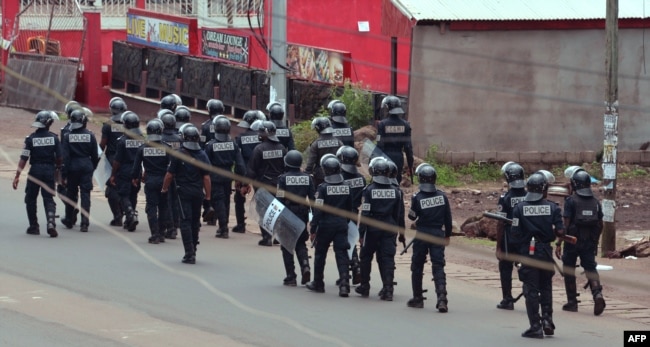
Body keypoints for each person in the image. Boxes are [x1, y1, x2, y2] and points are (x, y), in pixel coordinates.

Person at [511, 173, 565, 339]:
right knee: (546, 286)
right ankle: (547, 320)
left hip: (528, 253)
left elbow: (514, 234)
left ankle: (535, 326)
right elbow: (561, 231)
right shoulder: (554, 207)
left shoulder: (519, 208)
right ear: (544, 189)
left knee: (531, 289)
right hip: (546, 253)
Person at [556, 170, 606, 316]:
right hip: (589, 242)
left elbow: (565, 225)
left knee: (569, 268)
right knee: (591, 268)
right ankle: (597, 295)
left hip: (572, 241)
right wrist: (595, 241)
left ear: (574, 185)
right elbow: (600, 224)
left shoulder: (571, 201)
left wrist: (559, 243)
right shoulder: (595, 202)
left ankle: (572, 302)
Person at [405, 163, 452, 312]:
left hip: (422, 234)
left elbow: (412, 217)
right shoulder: (442, 196)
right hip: (438, 234)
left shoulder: (417, 197)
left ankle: (417, 298)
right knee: (438, 266)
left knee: (417, 265)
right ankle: (442, 299)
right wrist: (448, 235)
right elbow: (448, 219)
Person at [162, 125, 211, 264]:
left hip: (183, 193)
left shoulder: (178, 154)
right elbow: (206, 178)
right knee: (195, 222)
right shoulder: (203, 155)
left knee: (185, 221)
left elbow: (169, 175)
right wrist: (208, 197)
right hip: (197, 194)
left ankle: (189, 253)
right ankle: (194, 248)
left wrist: (164, 189)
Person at [356, 157, 403, 301]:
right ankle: (388, 289)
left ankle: (365, 286)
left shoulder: (369, 190)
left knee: (365, 257)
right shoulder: (396, 191)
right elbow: (399, 214)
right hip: (389, 227)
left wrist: (361, 233)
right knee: (387, 258)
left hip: (372, 228)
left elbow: (365, 213)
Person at [307, 156, 353, 297]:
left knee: (320, 254)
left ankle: (318, 283)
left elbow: (318, 210)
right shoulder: (347, 187)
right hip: (341, 224)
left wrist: (313, 228)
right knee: (342, 254)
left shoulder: (323, 188)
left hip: (326, 225)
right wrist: (345, 222)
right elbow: (350, 209)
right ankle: (344, 285)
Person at [13, 110, 62, 237]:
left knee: (30, 198)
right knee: (48, 198)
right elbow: (60, 158)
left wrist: (17, 176)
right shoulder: (54, 138)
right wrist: (57, 167)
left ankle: (34, 227)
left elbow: (23, 159)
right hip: (49, 170)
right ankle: (51, 223)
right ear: (49, 123)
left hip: (35, 171)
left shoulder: (30, 139)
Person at [276, 150, 315, 286]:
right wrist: (313, 219)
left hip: (288, 212)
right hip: (303, 213)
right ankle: (305, 266)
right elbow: (312, 199)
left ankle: (291, 276)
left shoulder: (283, 178)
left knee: (287, 245)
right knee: (300, 242)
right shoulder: (308, 178)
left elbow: (279, 198)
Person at [245, 121, 288, 246]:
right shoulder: (282, 148)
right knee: (277, 210)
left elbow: (252, 170)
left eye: (261, 132)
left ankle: (267, 237)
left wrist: (244, 184)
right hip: (279, 185)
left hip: (263, 185)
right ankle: (278, 236)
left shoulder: (259, 149)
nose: (259, 134)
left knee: (263, 210)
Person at [205, 116, 246, 239]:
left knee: (218, 202)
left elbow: (205, 163)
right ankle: (224, 225)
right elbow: (240, 164)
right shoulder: (233, 145)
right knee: (226, 201)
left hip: (215, 176)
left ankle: (223, 228)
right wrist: (241, 179)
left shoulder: (210, 145)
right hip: (228, 176)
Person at [131, 119, 170, 244]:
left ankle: (155, 234)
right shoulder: (167, 148)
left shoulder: (142, 148)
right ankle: (162, 233)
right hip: (164, 181)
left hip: (151, 181)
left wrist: (135, 178)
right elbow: (172, 167)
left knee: (152, 207)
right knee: (163, 207)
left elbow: (136, 167)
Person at [61, 109, 99, 233]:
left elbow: (65, 157)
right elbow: (95, 155)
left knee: (71, 194)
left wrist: (64, 173)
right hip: (86, 166)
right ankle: (85, 223)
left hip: (72, 168)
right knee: (85, 195)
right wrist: (92, 167)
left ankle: (68, 219)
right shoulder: (90, 135)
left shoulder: (67, 136)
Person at [495, 162, 527, 310]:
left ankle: (507, 299)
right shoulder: (529, 196)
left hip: (510, 238)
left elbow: (501, 223)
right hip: (527, 238)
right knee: (527, 267)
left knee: (505, 267)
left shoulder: (505, 198)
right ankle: (530, 293)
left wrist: (498, 246)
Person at [109, 111, 144, 232]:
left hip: (125, 170)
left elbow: (117, 160)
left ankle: (130, 213)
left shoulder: (122, 140)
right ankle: (130, 220)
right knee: (133, 194)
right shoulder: (142, 140)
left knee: (124, 194)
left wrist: (113, 174)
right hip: (138, 170)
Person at [232, 110, 265, 233]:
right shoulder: (263, 137)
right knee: (262, 201)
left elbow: (238, 158)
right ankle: (266, 231)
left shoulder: (241, 138)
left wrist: (237, 177)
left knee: (239, 198)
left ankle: (241, 225)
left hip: (244, 170)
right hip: (260, 172)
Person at [337, 145, 366, 285]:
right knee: (352, 239)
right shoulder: (361, 178)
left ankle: (353, 268)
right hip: (355, 212)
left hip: (341, 213)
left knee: (343, 243)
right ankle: (355, 270)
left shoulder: (339, 178)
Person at [100, 97, 127, 226]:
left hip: (112, 159)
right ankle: (128, 212)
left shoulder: (108, 125)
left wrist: (98, 159)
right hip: (128, 159)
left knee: (112, 188)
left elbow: (102, 145)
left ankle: (118, 216)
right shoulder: (130, 124)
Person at [375, 95, 414, 185]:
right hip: (398, 158)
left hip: (385, 157)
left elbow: (379, 145)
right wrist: (410, 164)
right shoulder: (406, 125)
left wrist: (376, 159)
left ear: (388, 107)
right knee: (396, 181)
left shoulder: (382, 124)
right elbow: (408, 147)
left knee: (384, 181)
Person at [304, 117, 344, 188]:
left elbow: (310, 164)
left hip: (320, 176)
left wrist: (306, 173)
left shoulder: (315, 144)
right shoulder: (339, 142)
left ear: (318, 129)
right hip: (338, 175)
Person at [160, 111, 182, 239]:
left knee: (166, 201)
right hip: (178, 174)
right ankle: (175, 225)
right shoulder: (179, 138)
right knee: (175, 200)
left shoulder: (161, 139)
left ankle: (169, 227)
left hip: (165, 173)